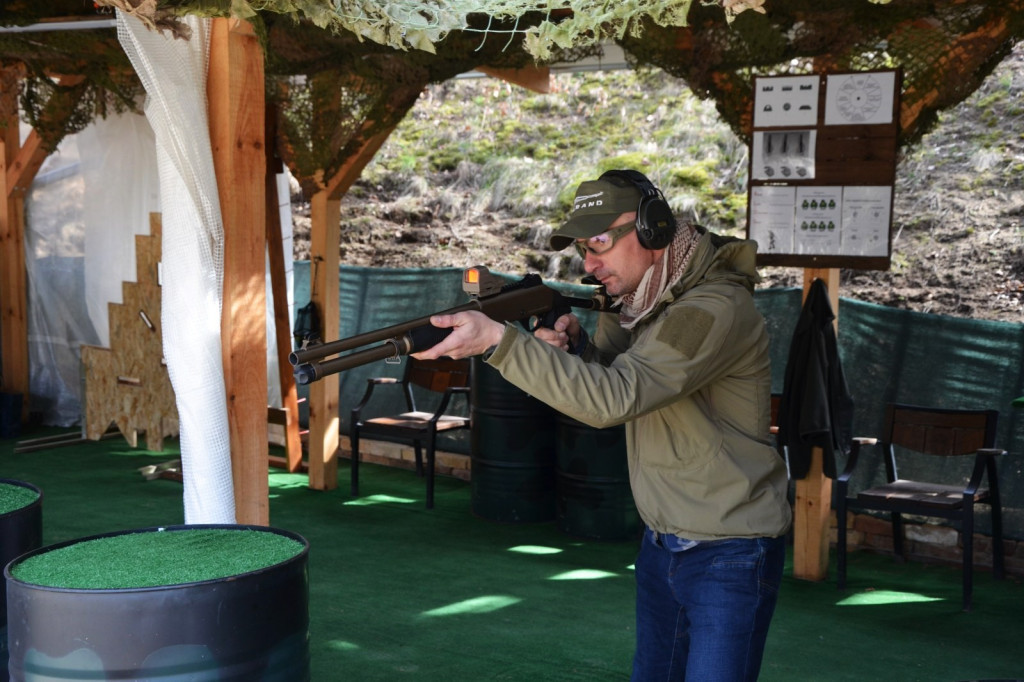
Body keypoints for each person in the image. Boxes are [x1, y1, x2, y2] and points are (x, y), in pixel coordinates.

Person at [414, 169, 792, 681]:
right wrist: (579, 350)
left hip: (729, 551)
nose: (588, 264)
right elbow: (618, 381)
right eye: (582, 248)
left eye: (599, 243)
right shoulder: (637, 304)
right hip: (661, 542)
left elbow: (615, 399)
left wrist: (498, 343)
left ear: (653, 229)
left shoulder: (712, 308)